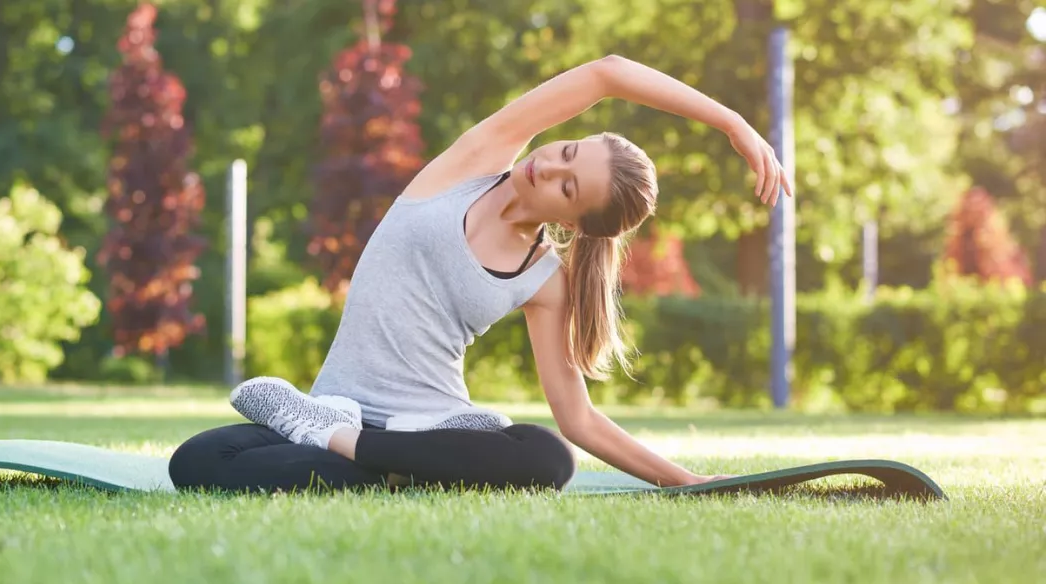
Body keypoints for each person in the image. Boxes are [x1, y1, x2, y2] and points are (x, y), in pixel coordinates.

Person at [168, 54, 793, 494]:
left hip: (435, 425)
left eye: (567, 186)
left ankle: (346, 448)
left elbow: (577, 421)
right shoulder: (473, 161)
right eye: (566, 152)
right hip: (341, 405)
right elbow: (607, 73)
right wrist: (732, 123)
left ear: (574, 220)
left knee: (548, 457)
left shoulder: (545, 279)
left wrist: (684, 480)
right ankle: (370, 454)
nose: (546, 168)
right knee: (198, 461)